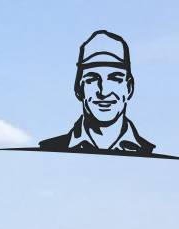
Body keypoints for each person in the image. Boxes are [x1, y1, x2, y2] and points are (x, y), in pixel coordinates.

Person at [35, 31, 164, 156]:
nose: (104, 91)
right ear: (79, 89)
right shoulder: (47, 151)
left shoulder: (151, 155)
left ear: (129, 88)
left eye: (115, 79)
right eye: (92, 79)